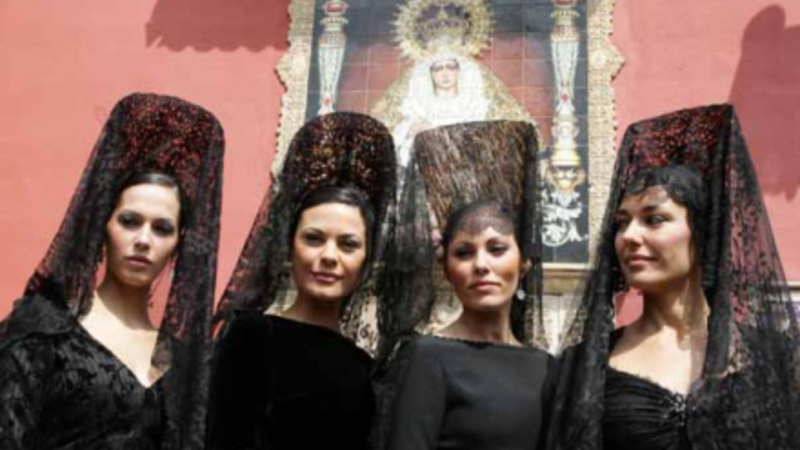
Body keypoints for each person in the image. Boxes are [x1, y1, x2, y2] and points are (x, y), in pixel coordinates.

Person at [547, 104, 800, 450]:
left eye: (654, 219)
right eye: (621, 223)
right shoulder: (585, 365)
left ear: (702, 233)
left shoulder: (773, 355)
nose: (629, 236)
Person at [0, 93, 225, 450]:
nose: (143, 240)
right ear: (103, 226)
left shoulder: (183, 363)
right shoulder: (44, 330)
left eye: (162, 228)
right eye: (129, 221)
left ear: (178, 245)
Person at [207, 112, 396, 450]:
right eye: (314, 238)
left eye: (348, 244)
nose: (329, 256)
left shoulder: (365, 368)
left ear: (366, 259)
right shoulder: (251, 336)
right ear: (290, 245)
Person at [375, 120, 555, 450]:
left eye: (497, 249)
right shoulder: (426, 355)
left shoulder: (546, 367)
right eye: (464, 253)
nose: (481, 265)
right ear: (446, 270)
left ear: (524, 263)